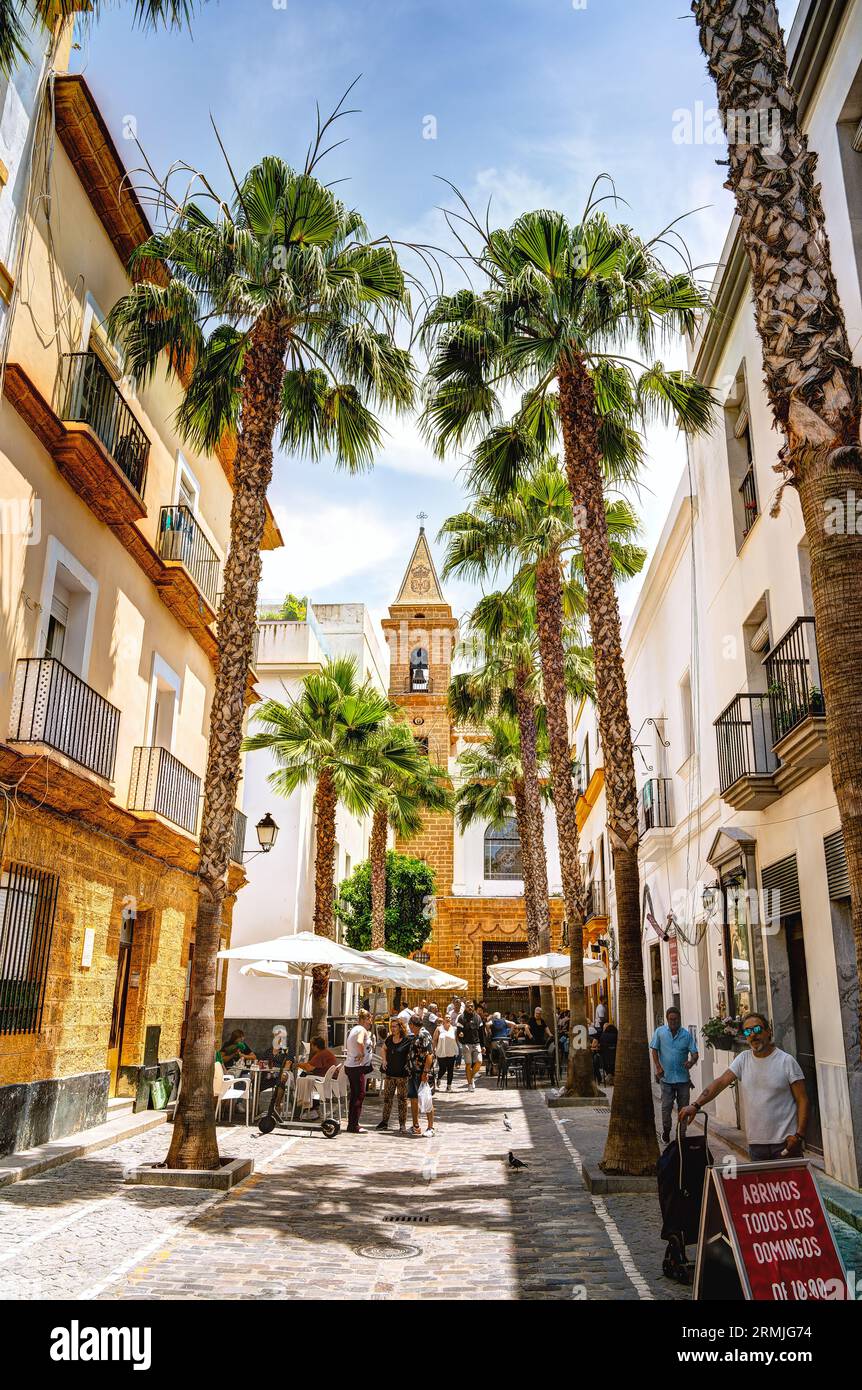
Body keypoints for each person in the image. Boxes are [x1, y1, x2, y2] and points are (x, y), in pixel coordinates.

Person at [679, 1013, 808, 1160]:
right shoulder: (743, 1059)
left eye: (757, 1029)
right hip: (756, 1146)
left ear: (768, 1031)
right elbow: (721, 1082)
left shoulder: (786, 1061)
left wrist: (799, 1136)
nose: (753, 1035)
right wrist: (696, 1105)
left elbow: (802, 1099)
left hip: (785, 1143)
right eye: (747, 1031)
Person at [650, 1007, 699, 1143]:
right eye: (671, 1019)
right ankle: (666, 1131)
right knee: (666, 1107)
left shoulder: (686, 1035)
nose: (673, 1022)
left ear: (679, 1019)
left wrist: (691, 1061)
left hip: (683, 1080)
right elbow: (654, 1050)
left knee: (684, 1109)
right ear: (667, 1019)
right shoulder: (660, 1032)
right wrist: (658, 1066)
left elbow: (695, 1053)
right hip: (666, 1079)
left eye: (676, 1019)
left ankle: (681, 1136)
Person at [376, 1016, 412, 1134]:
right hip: (390, 1075)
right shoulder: (389, 1039)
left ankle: (402, 1124)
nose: (393, 1028)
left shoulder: (407, 1040)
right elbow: (383, 1049)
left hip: (402, 1075)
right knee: (387, 1099)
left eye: (395, 1026)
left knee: (402, 1100)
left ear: (401, 1027)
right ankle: (384, 1122)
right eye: (391, 1026)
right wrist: (384, 1060)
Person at [344, 1008, 373, 1134]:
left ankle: (352, 1123)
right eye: (369, 1019)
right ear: (364, 1019)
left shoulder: (355, 1029)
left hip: (351, 1066)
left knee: (355, 1095)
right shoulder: (361, 1030)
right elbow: (359, 1041)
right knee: (360, 1094)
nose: (370, 1022)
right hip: (356, 1067)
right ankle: (354, 1125)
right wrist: (361, 1053)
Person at [407, 1014, 435, 1136]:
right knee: (413, 1099)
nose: (409, 1028)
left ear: (413, 1025)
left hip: (421, 1073)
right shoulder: (416, 1035)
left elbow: (429, 1055)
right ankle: (416, 1126)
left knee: (427, 1099)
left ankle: (430, 1127)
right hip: (413, 1072)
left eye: (410, 1025)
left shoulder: (424, 1035)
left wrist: (425, 1072)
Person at [457, 999, 485, 1091]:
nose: (470, 1008)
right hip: (466, 1044)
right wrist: (461, 1037)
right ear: (465, 1007)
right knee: (468, 1064)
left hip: (476, 1044)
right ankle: (469, 1084)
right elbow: (459, 1032)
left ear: (474, 1007)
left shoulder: (478, 1017)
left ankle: (471, 1076)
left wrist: (483, 1045)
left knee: (479, 1061)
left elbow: (481, 1033)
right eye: (468, 1006)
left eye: (472, 1006)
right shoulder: (461, 1018)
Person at [433, 1011, 459, 1091]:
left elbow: (456, 1040)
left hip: (451, 1052)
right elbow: (434, 1040)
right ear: (443, 1020)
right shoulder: (439, 1029)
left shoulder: (454, 1029)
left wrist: (457, 1050)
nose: (448, 1019)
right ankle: (439, 1078)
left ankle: (449, 1086)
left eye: (449, 1018)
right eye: (446, 1018)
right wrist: (434, 1049)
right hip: (441, 1052)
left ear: (451, 1020)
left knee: (450, 1070)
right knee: (443, 1069)